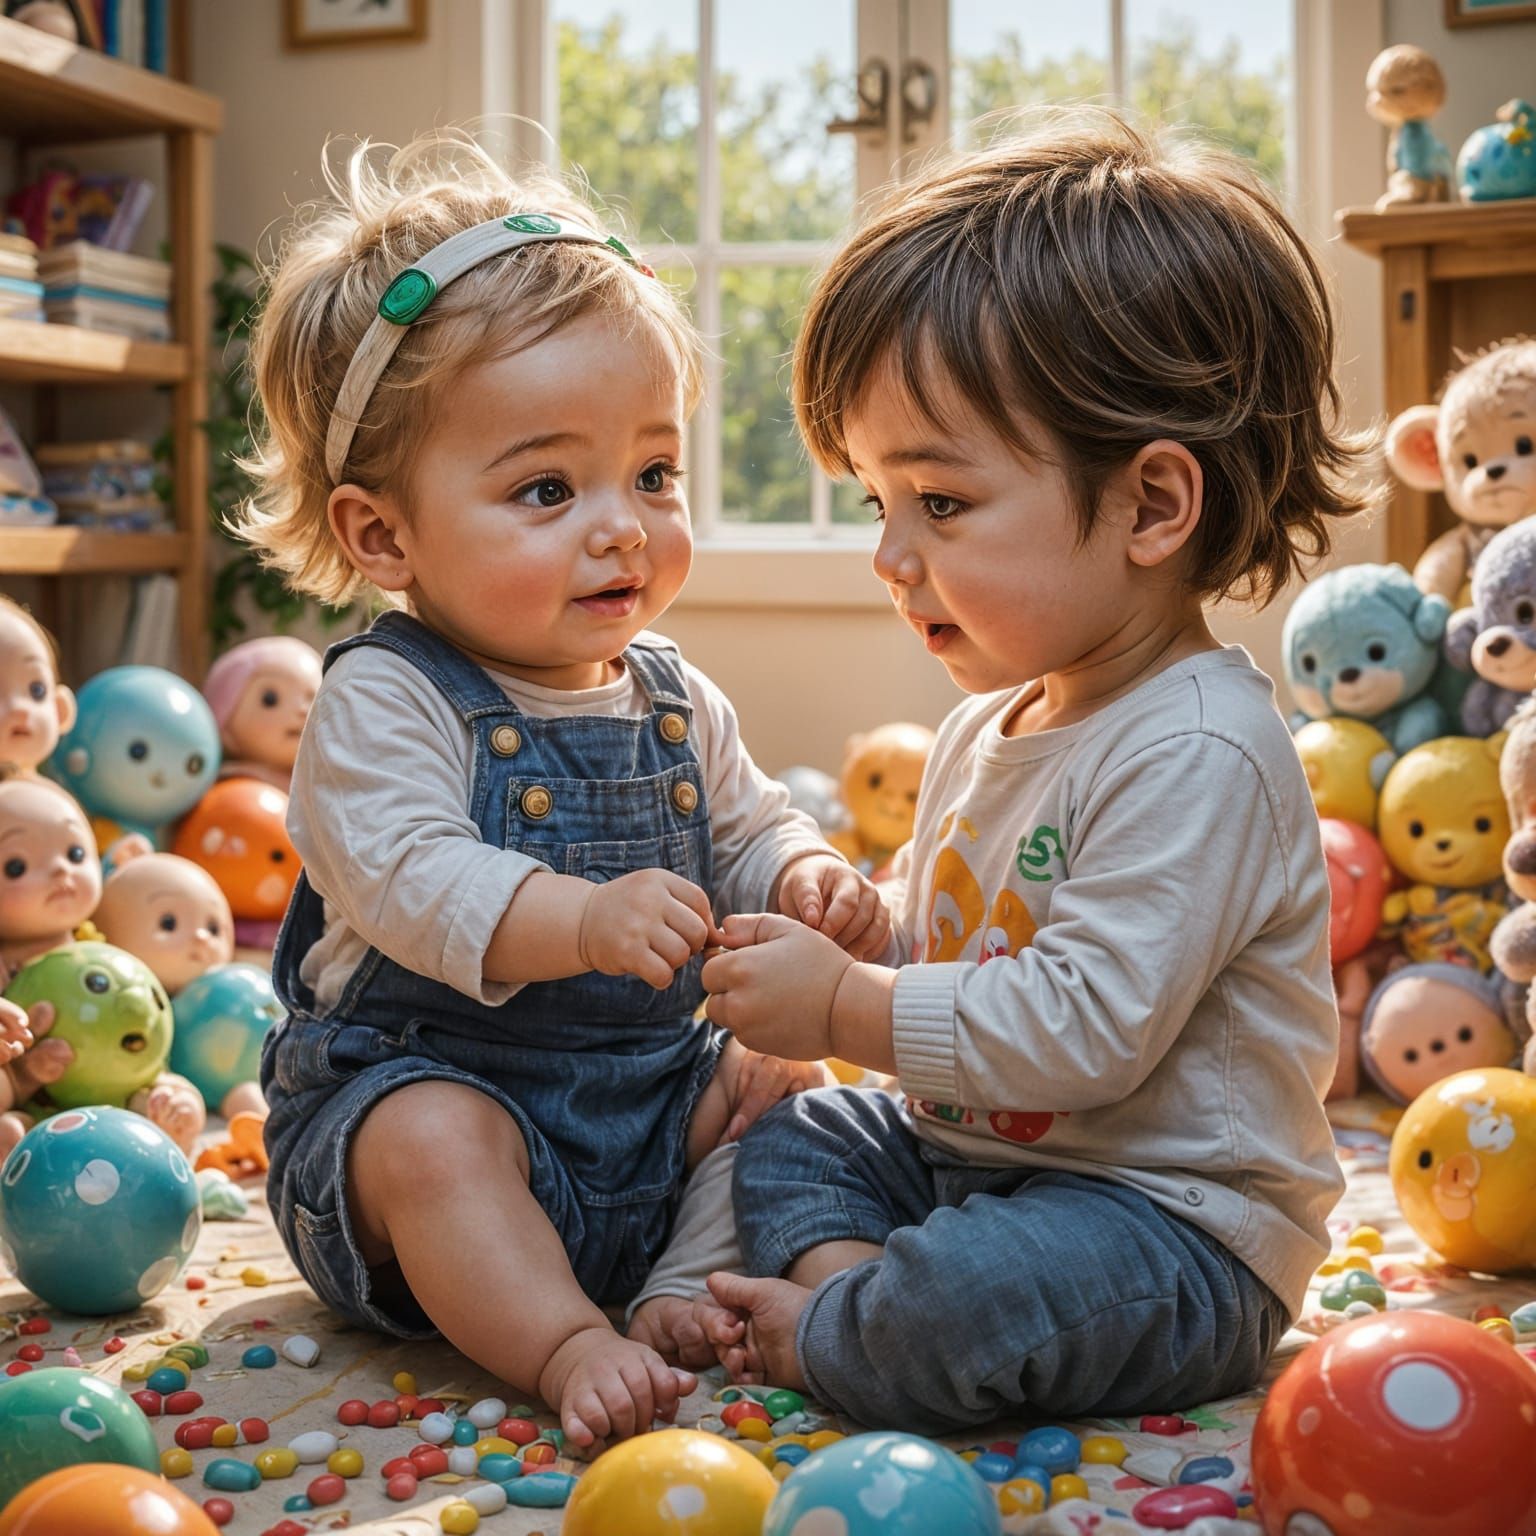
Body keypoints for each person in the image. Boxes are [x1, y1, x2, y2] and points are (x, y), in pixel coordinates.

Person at [698, 109, 1361, 1432]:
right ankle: (855, 1301)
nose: (892, 557)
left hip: (1166, 1229)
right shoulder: (988, 722)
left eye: (939, 505)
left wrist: (848, 1006)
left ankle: (860, 1324)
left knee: (978, 1293)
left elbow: (1082, 1028)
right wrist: (870, 922)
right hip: (975, 1162)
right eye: (877, 501)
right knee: (789, 1137)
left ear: (1152, 507)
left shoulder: (1202, 749)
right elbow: (969, 941)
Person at [234, 130, 887, 1452]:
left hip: (648, 1112)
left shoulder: (670, 692)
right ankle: (561, 1337)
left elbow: (750, 819)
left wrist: (802, 875)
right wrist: (577, 921)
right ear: (383, 533)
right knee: (429, 1139)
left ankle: (669, 1288)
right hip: (432, 1111)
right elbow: (411, 876)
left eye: (653, 473)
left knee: (784, 1077)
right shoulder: (383, 695)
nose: (622, 524)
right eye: (547, 487)